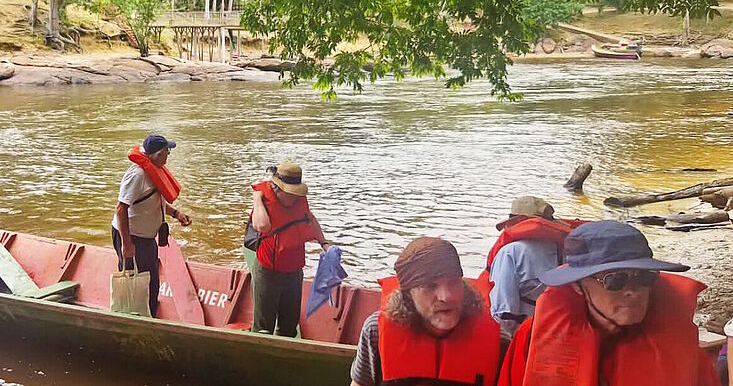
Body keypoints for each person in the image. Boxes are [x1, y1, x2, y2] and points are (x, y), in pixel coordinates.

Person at [498, 220, 720, 386]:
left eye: (644, 277)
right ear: (578, 286)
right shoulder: (532, 337)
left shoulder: (680, 345)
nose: (633, 292)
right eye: (615, 280)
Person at [350, 237, 505, 386]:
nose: (446, 296)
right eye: (430, 286)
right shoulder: (375, 331)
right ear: (407, 295)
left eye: (453, 282)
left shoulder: (500, 341)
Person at [111, 134, 191, 318]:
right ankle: (132, 317)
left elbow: (155, 201)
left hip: (146, 238)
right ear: (156, 154)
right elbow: (121, 209)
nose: (168, 155)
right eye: (166, 152)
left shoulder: (155, 170)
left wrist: (176, 214)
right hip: (132, 236)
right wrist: (127, 244)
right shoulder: (137, 175)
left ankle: (150, 316)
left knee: (152, 281)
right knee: (135, 281)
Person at [247, 161, 328, 337]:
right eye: (290, 193)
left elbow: (310, 219)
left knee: (289, 326)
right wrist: (257, 199)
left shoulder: (300, 201)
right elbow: (261, 226)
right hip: (268, 271)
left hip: (294, 272)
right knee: (263, 328)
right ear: (277, 189)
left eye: (296, 193)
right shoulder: (265, 200)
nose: (294, 197)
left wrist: (324, 243)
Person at [487, 196, 582, 337]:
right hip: (561, 332)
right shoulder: (568, 251)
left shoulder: (511, 252)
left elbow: (502, 312)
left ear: (515, 223)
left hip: (523, 336)